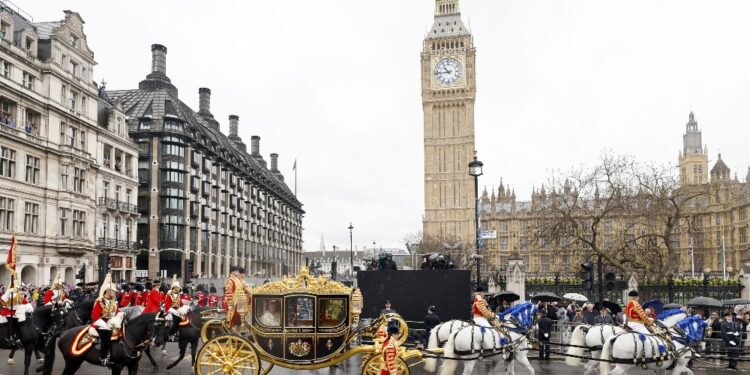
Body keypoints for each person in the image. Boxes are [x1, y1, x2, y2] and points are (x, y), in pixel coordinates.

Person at [91, 273, 122, 366]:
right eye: (113, 291)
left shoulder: (113, 301)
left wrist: (121, 315)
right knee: (107, 334)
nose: (115, 293)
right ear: (108, 291)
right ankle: (103, 357)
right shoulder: (100, 301)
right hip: (101, 322)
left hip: (111, 322)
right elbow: (94, 315)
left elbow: (117, 311)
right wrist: (104, 324)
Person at [225, 265, 252, 332]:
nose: (238, 272)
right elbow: (228, 293)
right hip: (234, 303)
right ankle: (233, 331)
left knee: (239, 320)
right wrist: (230, 304)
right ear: (233, 272)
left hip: (240, 302)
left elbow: (246, 288)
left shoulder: (238, 280)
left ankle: (238, 331)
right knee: (234, 319)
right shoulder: (230, 280)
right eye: (237, 271)